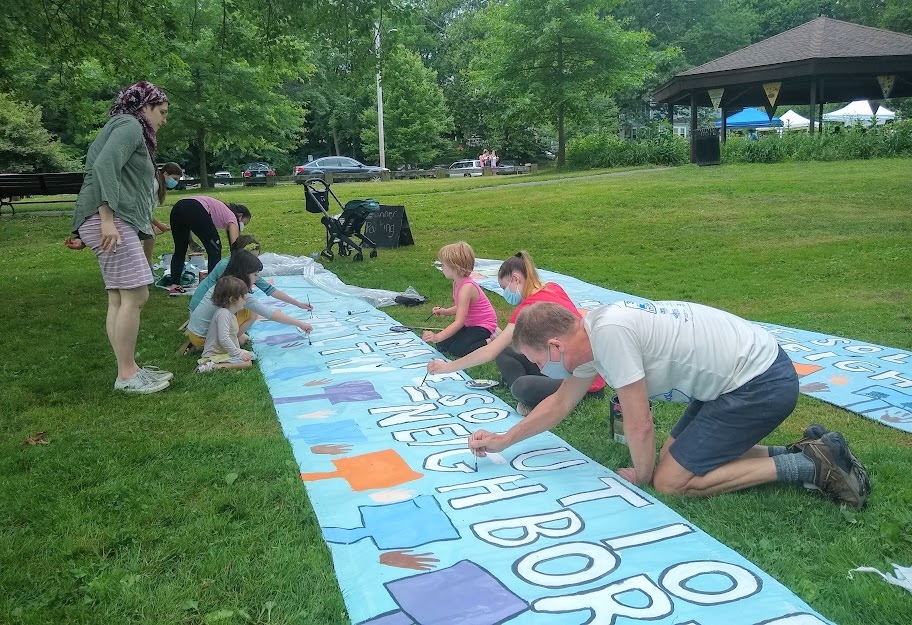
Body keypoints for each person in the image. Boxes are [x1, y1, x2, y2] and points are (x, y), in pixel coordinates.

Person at [469, 300, 871, 509]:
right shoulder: (590, 332)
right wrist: (505, 439)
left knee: (670, 480)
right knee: (673, 456)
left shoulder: (608, 336)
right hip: (742, 377)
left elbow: (640, 424)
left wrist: (643, 474)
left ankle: (812, 466)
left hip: (759, 383)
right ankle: (808, 451)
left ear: (555, 345)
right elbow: (558, 404)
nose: (543, 369)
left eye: (540, 361)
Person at [71, 81, 173, 393]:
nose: (163, 119)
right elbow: (104, 168)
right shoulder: (129, 124)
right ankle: (127, 376)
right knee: (136, 295)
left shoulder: (125, 126)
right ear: (145, 107)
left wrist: (145, 222)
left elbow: (125, 180)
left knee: (119, 296)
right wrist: (106, 220)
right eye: (162, 112)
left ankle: (128, 370)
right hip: (109, 220)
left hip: (112, 219)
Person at [428, 251, 605, 414]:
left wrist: (448, 367)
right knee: (506, 351)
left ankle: (528, 392)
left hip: (580, 381)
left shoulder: (527, 309)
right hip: (566, 365)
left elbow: (489, 352)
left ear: (516, 278)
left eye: (505, 288)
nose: (505, 294)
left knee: (521, 386)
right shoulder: (553, 287)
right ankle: (532, 386)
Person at [185, 250, 312, 352]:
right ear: (244, 273)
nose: (256, 279)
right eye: (255, 275)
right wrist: (301, 324)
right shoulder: (238, 292)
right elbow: (271, 314)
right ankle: (225, 343)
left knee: (246, 315)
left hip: (194, 331)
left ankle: (230, 338)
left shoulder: (225, 283)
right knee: (251, 314)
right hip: (202, 338)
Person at [188, 235, 313, 315]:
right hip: (201, 309)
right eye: (252, 257)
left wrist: (298, 304)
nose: (255, 261)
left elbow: (269, 289)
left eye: (257, 257)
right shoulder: (226, 266)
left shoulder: (247, 268)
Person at [423, 242, 498, 357]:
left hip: (483, 325)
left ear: (454, 267)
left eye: (443, 264)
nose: (441, 267)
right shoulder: (457, 283)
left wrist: (437, 336)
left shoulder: (466, 288)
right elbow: (461, 307)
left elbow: (459, 322)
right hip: (471, 324)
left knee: (458, 350)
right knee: (441, 345)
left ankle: (493, 340)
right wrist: (446, 311)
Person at [168, 195, 251, 294]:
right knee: (215, 250)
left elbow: (186, 216)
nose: (241, 227)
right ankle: (213, 285)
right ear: (240, 215)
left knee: (180, 249)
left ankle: (175, 285)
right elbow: (236, 246)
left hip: (178, 207)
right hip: (195, 207)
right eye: (243, 224)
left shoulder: (221, 209)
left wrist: (189, 241)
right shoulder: (232, 217)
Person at [196, 276, 256, 373]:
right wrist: (238, 353)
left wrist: (239, 351)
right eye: (243, 296)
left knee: (249, 356)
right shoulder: (223, 314)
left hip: (223, 351)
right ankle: (210, 366)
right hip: (214, 354)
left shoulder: (230, 314)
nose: (246, 298)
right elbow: (223, 338)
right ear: (233, 300)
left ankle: (220, 364)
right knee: (247, 363)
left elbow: (233, 338)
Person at [143, 162, 183, 266]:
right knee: (149, 235)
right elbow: (146, 209)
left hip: (142, 216)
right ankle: (148, 266)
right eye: (174, 179)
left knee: (150, 235)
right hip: (135, 215)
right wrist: (159, 225)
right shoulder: (155, 184)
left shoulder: (159, 185)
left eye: (178, 180)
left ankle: (148, 266)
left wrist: (155, 224)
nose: (176, 182)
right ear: (165, 174)